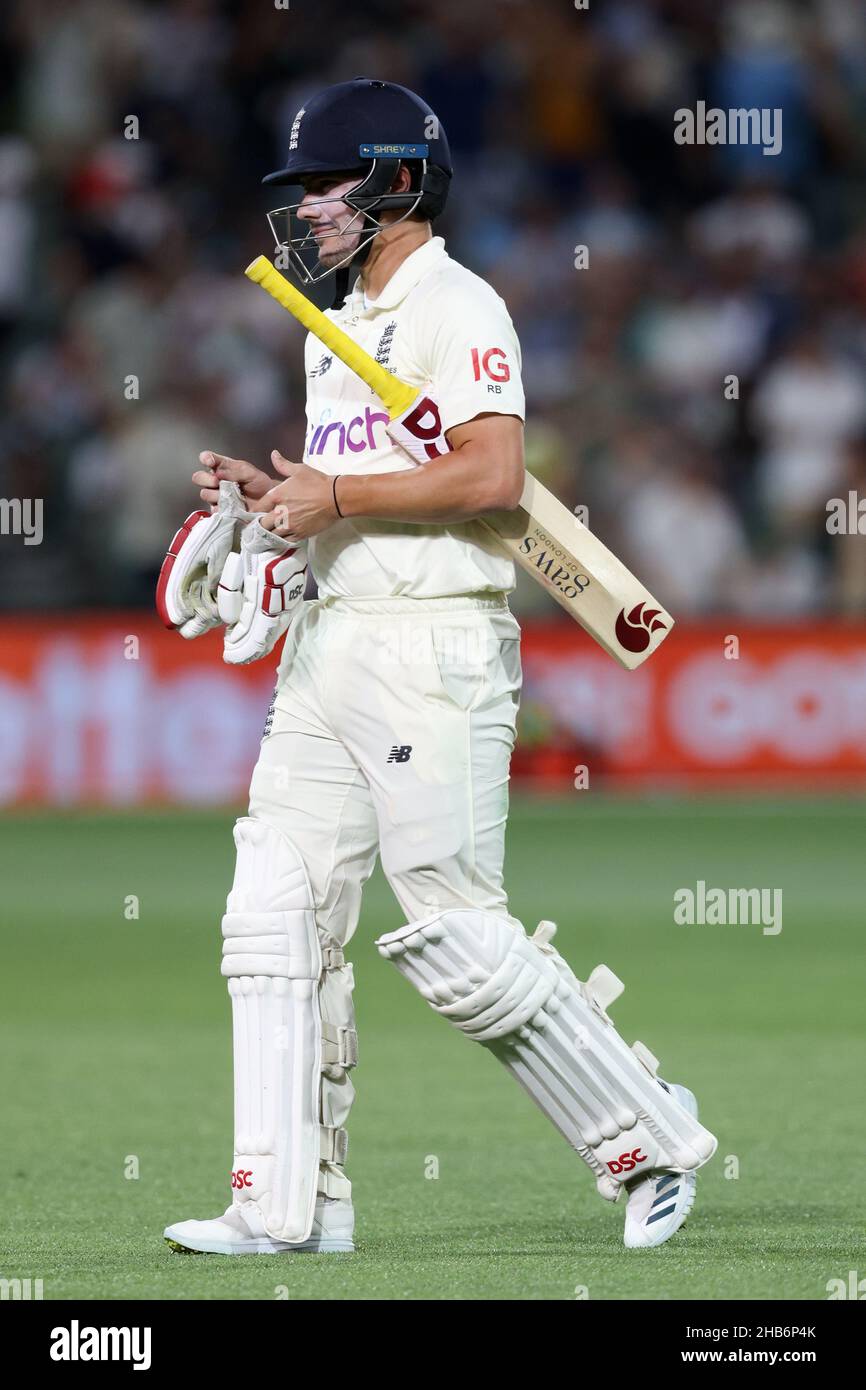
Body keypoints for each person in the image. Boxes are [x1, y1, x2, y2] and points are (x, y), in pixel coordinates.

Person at [163, 78, 715, 1256]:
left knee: (456, 938)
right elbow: (360, 491)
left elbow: (490, 476)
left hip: (435, 647)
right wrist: (280, 500)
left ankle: (649, 1135)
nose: (309, 208)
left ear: (399, 180)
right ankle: (286, 1205)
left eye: (328, 184)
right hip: (330, 642)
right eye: (302, 189)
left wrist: (337, 495)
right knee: (271, 915)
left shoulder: (458, 305)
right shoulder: (335, 324)